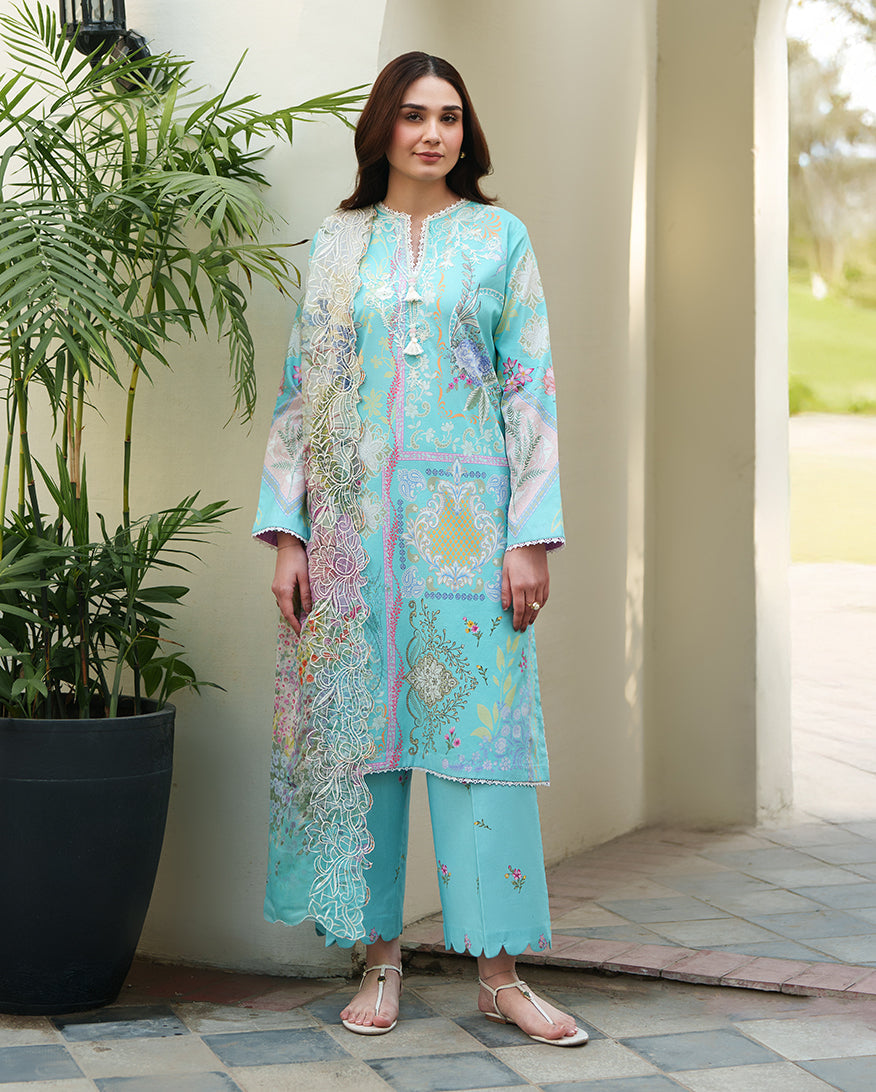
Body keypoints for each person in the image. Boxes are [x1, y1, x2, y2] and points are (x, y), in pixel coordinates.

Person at [253, 51, 585, 1046]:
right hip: (351, 534)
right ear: (382, 129)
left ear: (465, 132)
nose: (433, 132)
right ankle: (379, 957)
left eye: (448, 116)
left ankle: (500, 971)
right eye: (412, 115)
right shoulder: (338, 242)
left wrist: (529, 537)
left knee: (481, 743)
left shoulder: (498, 238)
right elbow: (301, 393)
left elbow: (531, 387)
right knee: (363, 740)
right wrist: (289, 536)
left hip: (469, 532)